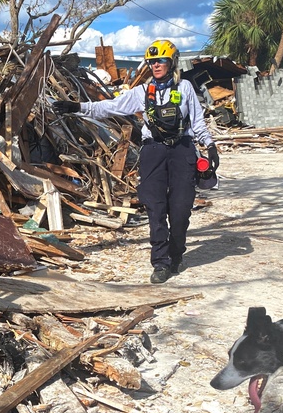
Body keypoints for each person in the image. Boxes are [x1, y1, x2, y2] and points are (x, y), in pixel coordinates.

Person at [52, 39, 219, 284]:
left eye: (160, 61)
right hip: (153, 152)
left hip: (182, 150)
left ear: (171, 62)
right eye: (151, 62)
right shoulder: (142, 92)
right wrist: (77, 107)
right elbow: (110, 107)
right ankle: (161, 262)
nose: (155, 66)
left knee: (181, 208)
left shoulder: (185, 89)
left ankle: (176, 253)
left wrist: (211, 145)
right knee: (155, 207)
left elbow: (197, 123)